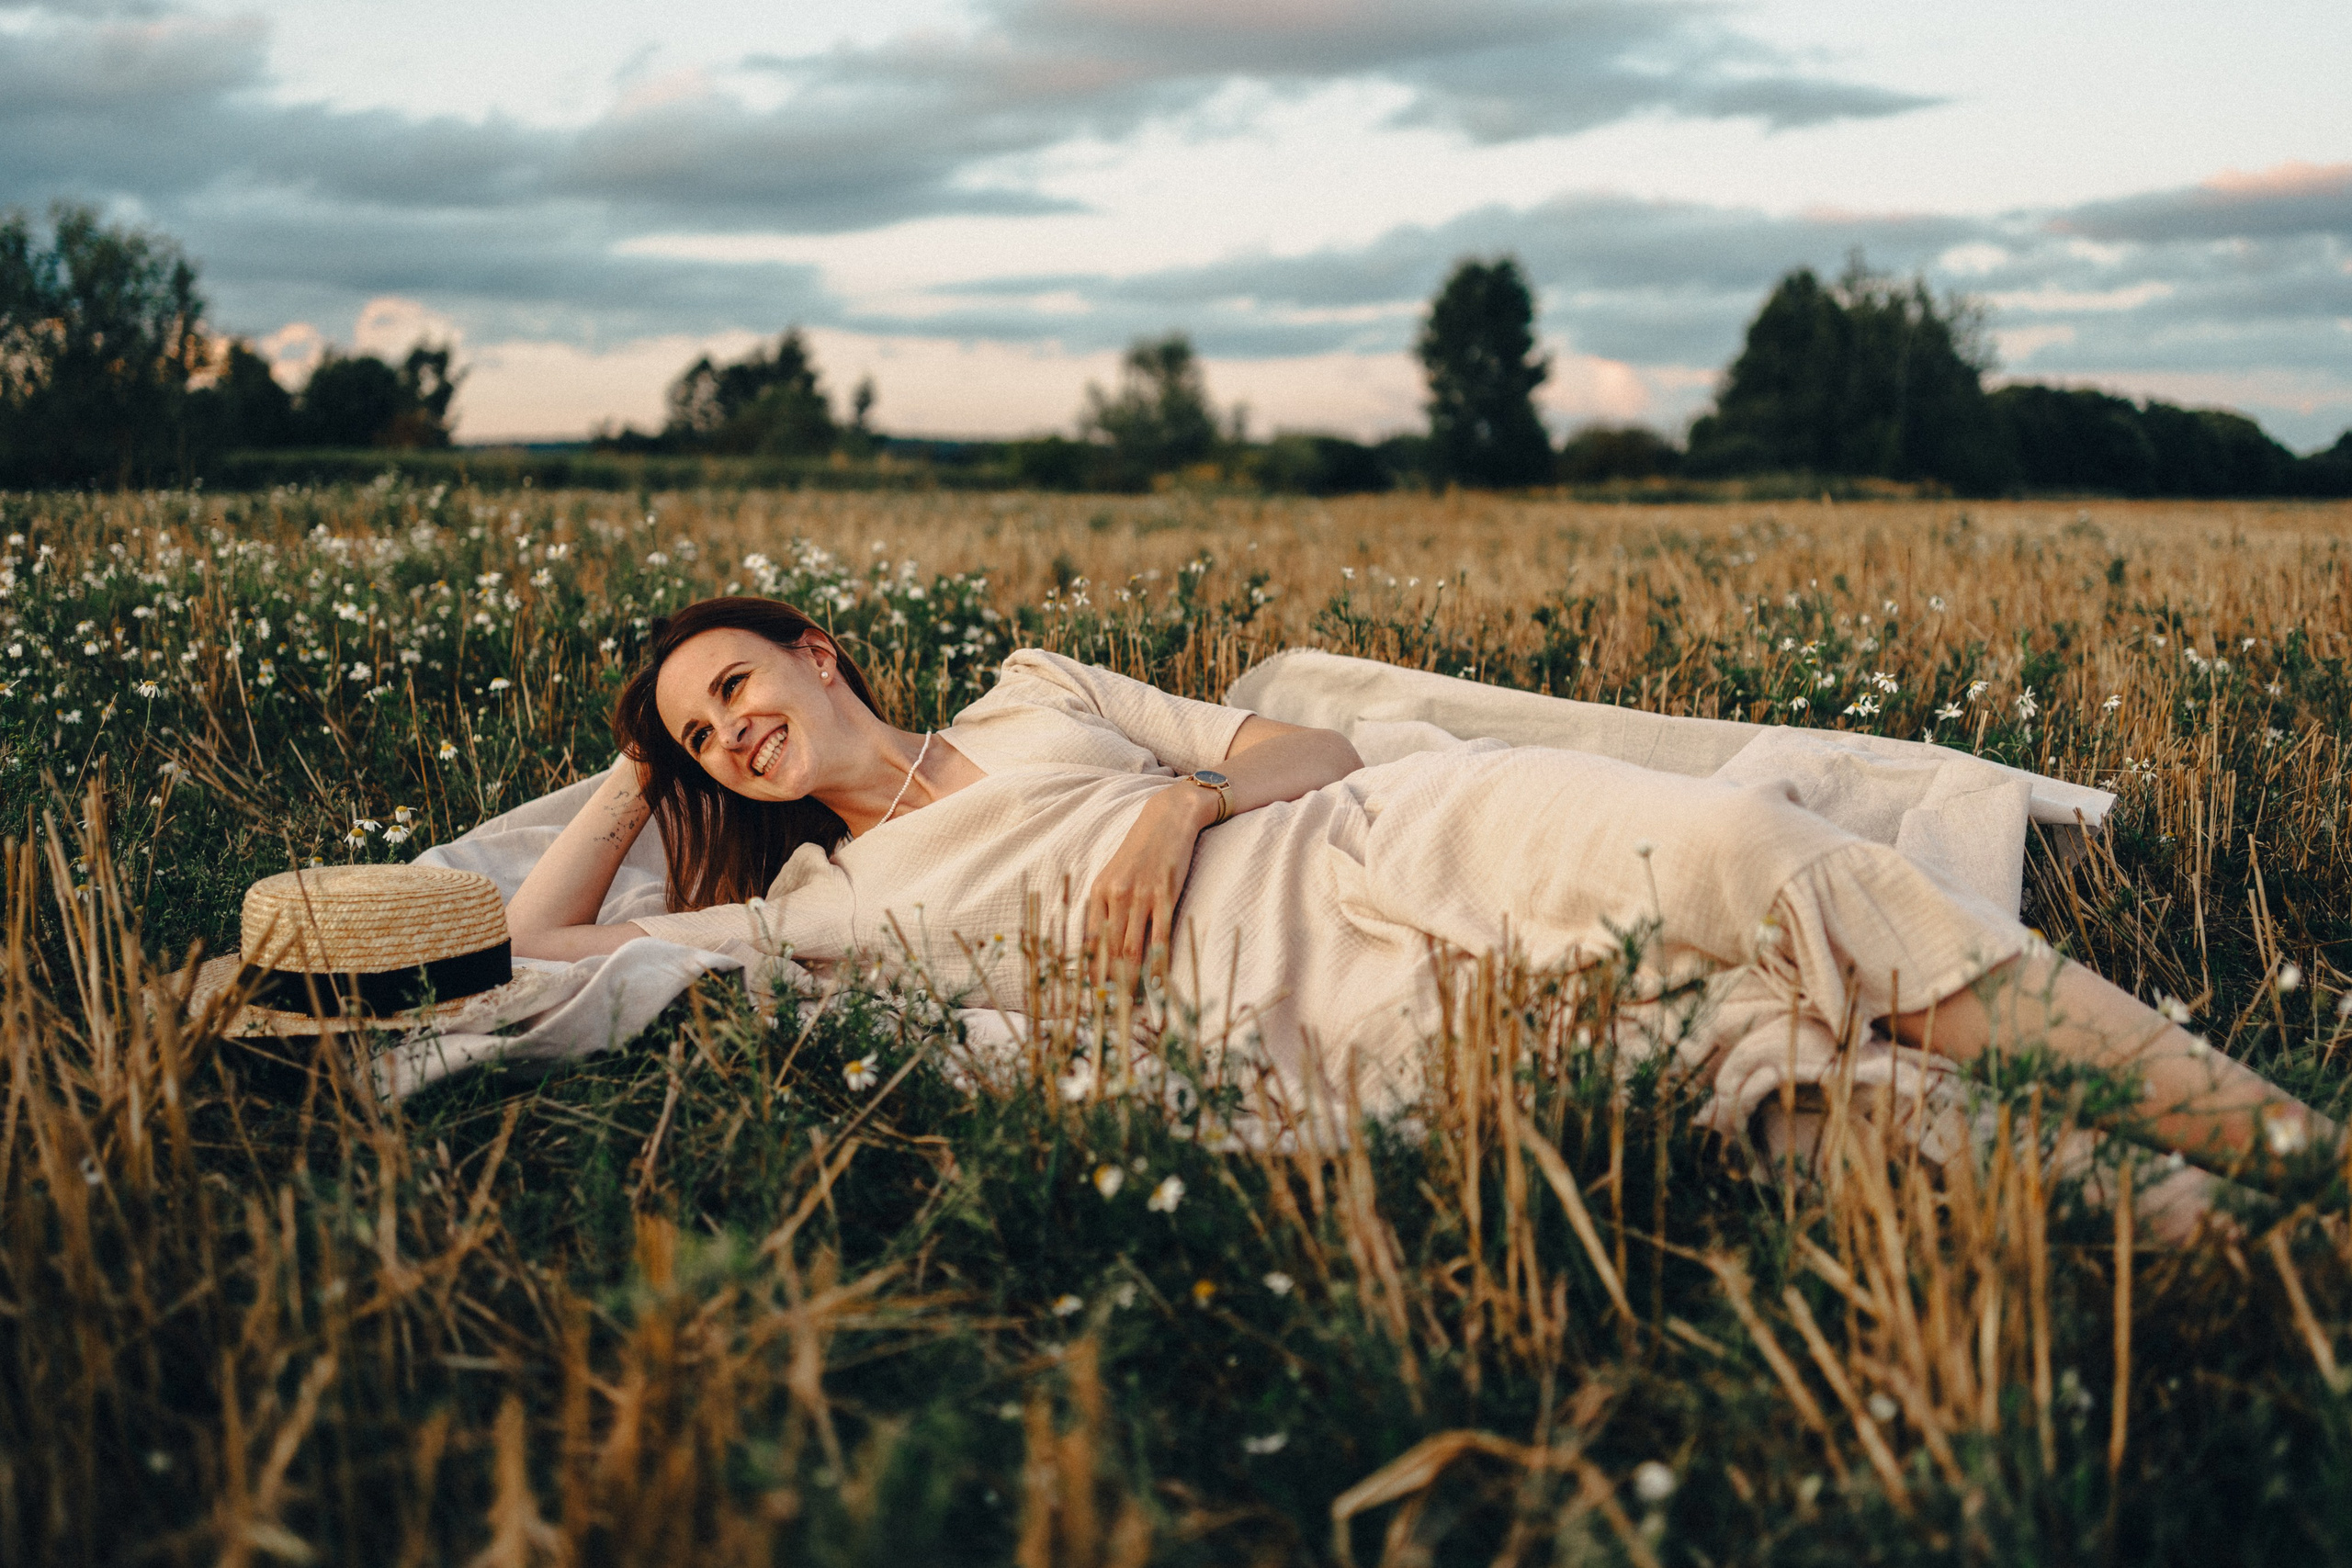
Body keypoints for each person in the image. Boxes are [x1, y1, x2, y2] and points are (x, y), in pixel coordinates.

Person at [509, 597, 2334, 1236]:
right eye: (705, 735)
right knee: (1778, 1089)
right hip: (1303, 1002)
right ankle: (2258, 1244)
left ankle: (2289, 1150)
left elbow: (1301, 741)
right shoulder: (823, 902)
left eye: (733, 679)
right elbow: (542, 945)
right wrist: (632, 768)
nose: (734, 725)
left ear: (812, 651)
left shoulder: (1031, 691)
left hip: (1384, 825)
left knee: (1753, 870)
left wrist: (1175, 797)